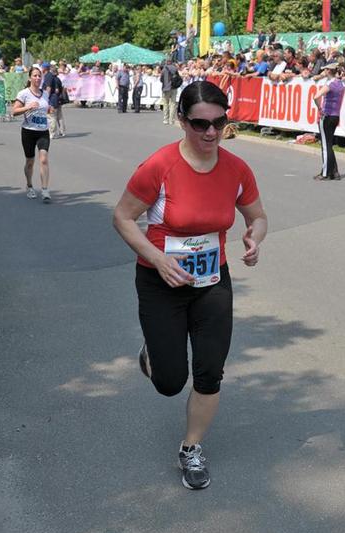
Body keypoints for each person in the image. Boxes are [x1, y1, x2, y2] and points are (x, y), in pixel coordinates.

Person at [112, 81, 267, 490]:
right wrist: (158, 258)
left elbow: (257, 216)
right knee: (169, 383)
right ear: (182, 121)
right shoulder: (159, 166)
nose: (211, 132)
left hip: (212, 282)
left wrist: (254, 238)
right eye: (200, 124)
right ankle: (154, 354)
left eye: (219, 122)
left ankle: (191, 449)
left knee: (210, 371)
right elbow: (123, 217)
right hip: (160, 281)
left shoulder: (236, 169)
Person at [12, 66, 52, 202]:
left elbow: (46, 109)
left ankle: (45, 190)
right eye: (35, 75)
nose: (37, 78)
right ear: (30, 78)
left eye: (39, 76)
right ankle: (29, 186)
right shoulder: (24, 94)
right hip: (28, 132)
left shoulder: (45, 94)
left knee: (44, 159)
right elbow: (14, 111)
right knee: (30, 161)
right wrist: (28, 107)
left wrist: (48, 110)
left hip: (43, 131)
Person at [313, 63, 345, 181]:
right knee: (329, 144)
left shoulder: (330, 84)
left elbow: (316, 96)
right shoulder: (340, 84)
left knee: (325, 146)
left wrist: (319, 108)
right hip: (335, 116)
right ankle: (334, 172)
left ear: (328, 71)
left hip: (327, 116)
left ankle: (325, 173)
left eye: (325, 70)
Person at [160, 59, 180, 125]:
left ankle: (166, 119)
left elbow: (161, 79)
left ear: (166, 62)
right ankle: (171, 120)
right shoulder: (175, 68)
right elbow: (178, 77)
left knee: (166, 103)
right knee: (173, 104)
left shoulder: (164, 69)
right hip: (174, 87)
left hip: (166, 88)